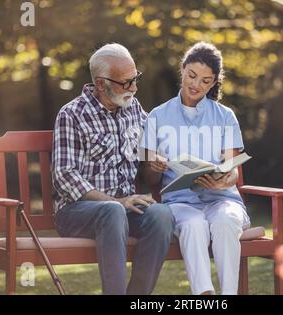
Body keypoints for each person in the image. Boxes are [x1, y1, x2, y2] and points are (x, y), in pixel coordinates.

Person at [51, 43, 175, 295]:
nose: (134, 88)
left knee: (161, 215)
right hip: (77, 212)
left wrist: (156, 163)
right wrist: (116, 201)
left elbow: (151, 173)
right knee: (111, 211)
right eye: (126, 83)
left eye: (135, 79)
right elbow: (64, 176)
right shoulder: (72, 114)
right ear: (100, 84)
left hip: (125, 209)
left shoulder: (135, 110)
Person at [141, 42, 251, 295]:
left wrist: (223, 180)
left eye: (205, 81)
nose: (196, 85)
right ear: (182, 69)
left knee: (225, 221)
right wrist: (154, 165)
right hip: (180, 203)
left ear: (213, 83)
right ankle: (205, 295)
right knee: (193, 226)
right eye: (191, 76)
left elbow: (233, 169)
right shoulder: (157, 116)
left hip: (222, 199)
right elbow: (150, 179)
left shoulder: (225, 116)